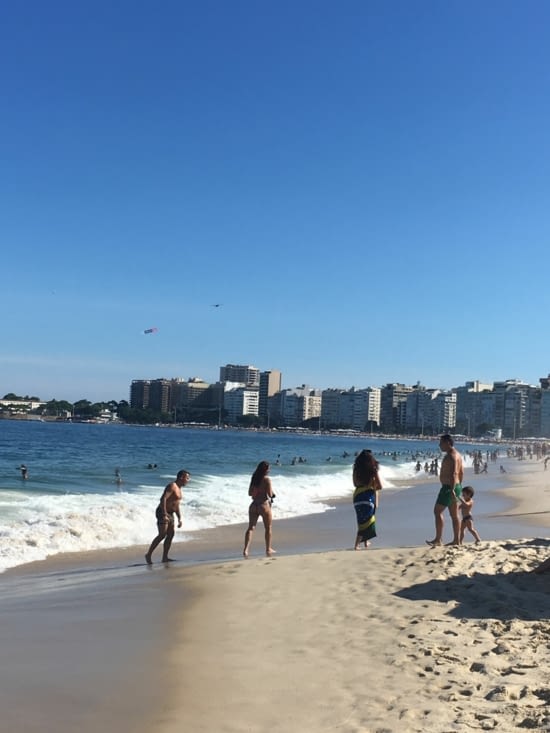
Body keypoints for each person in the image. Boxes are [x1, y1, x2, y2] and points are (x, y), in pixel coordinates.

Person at [426, 434, 464, 547]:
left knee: (437, 511)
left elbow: (453, 474)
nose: (439, 445)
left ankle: (438, 539)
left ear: (448, 443)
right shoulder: (458, 455)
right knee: (454, 514)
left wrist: (452, 489)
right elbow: (461, 472)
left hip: (448, 488)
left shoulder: (450, 456)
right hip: (456, 486)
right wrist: (458, 487)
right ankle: (456, 540)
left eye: (441, 443)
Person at [145, 470, 190, 564]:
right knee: (162, 534)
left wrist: (179, 518)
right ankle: (148, 555)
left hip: (171, 513)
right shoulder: (172, 486)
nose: (188, 480)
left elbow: (176, 505)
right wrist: (164, 514)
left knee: (170, 535)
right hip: (162, 511)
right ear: (181, 477)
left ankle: (165, 557)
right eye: (187, 478)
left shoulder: (179, 488)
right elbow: (163, 499)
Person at [243, 461, 276, 558]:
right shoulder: (267, 480)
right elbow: (270, 494)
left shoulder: (254, 478)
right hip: (264, 505)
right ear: (265, 470)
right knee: (268, 528)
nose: (269, 470)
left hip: (253, 505)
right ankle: (268, 548)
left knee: (251, 528)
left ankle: (246, 550)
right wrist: (273, 493)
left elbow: (249, 493)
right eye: (269, 468)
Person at [352, 449, 382, 550]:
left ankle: (365, 542)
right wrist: (371, 485)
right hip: (368, 497)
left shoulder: (356, 469)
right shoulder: (373, 470)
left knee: (361, 519)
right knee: (368, 519)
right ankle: (357, 545)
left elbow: (355, 484)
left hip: (357, 496)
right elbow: (380, 486)